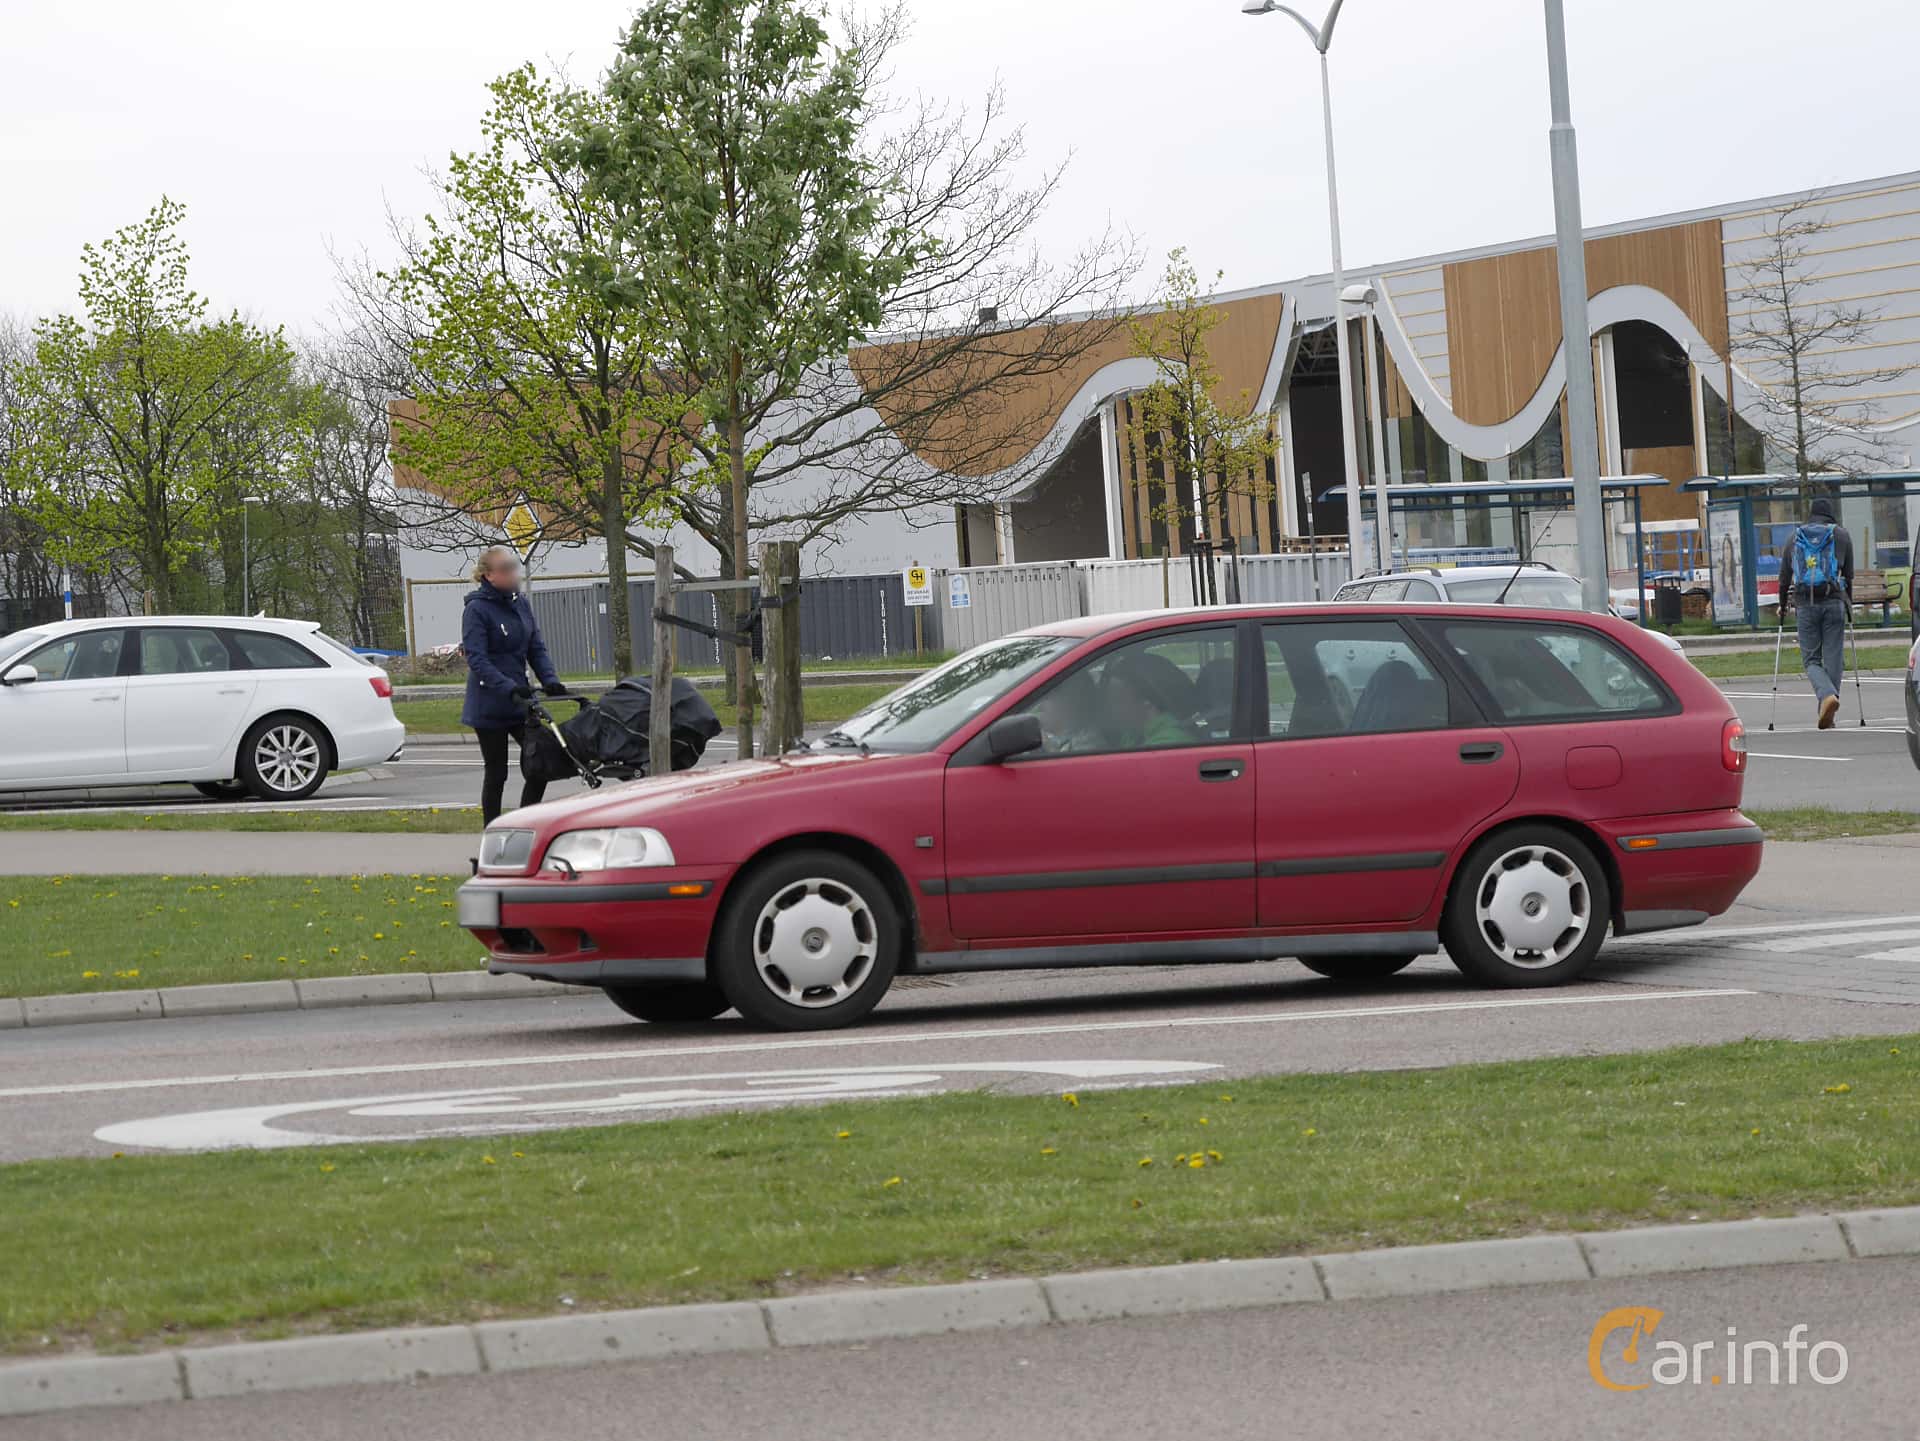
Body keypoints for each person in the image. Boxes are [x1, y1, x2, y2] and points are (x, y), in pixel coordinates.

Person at [461, 544, 566, 823]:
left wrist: (550, 681)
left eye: (513, 568)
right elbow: (477, 659)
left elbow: (536, 648)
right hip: (490, 702)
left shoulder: (520, 604)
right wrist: (508, 687)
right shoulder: (477, 610)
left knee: (540, 763)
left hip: (521, 702)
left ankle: (523, 822)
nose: (513, 574)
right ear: (488, 576)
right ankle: (492, 832)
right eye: (505, 569)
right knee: (497, 772)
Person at [1782, 494, 1854, 729]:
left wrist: (1783, 605)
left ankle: (1826, 697)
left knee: (1811, 659)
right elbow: (1849, 574)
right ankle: (1829, 704)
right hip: (1834, 601)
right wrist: (1848, 602)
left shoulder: (1795, 536)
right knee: (1834, 657)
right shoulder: (1841, 535)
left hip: (1805, 604)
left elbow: (1785, 577)